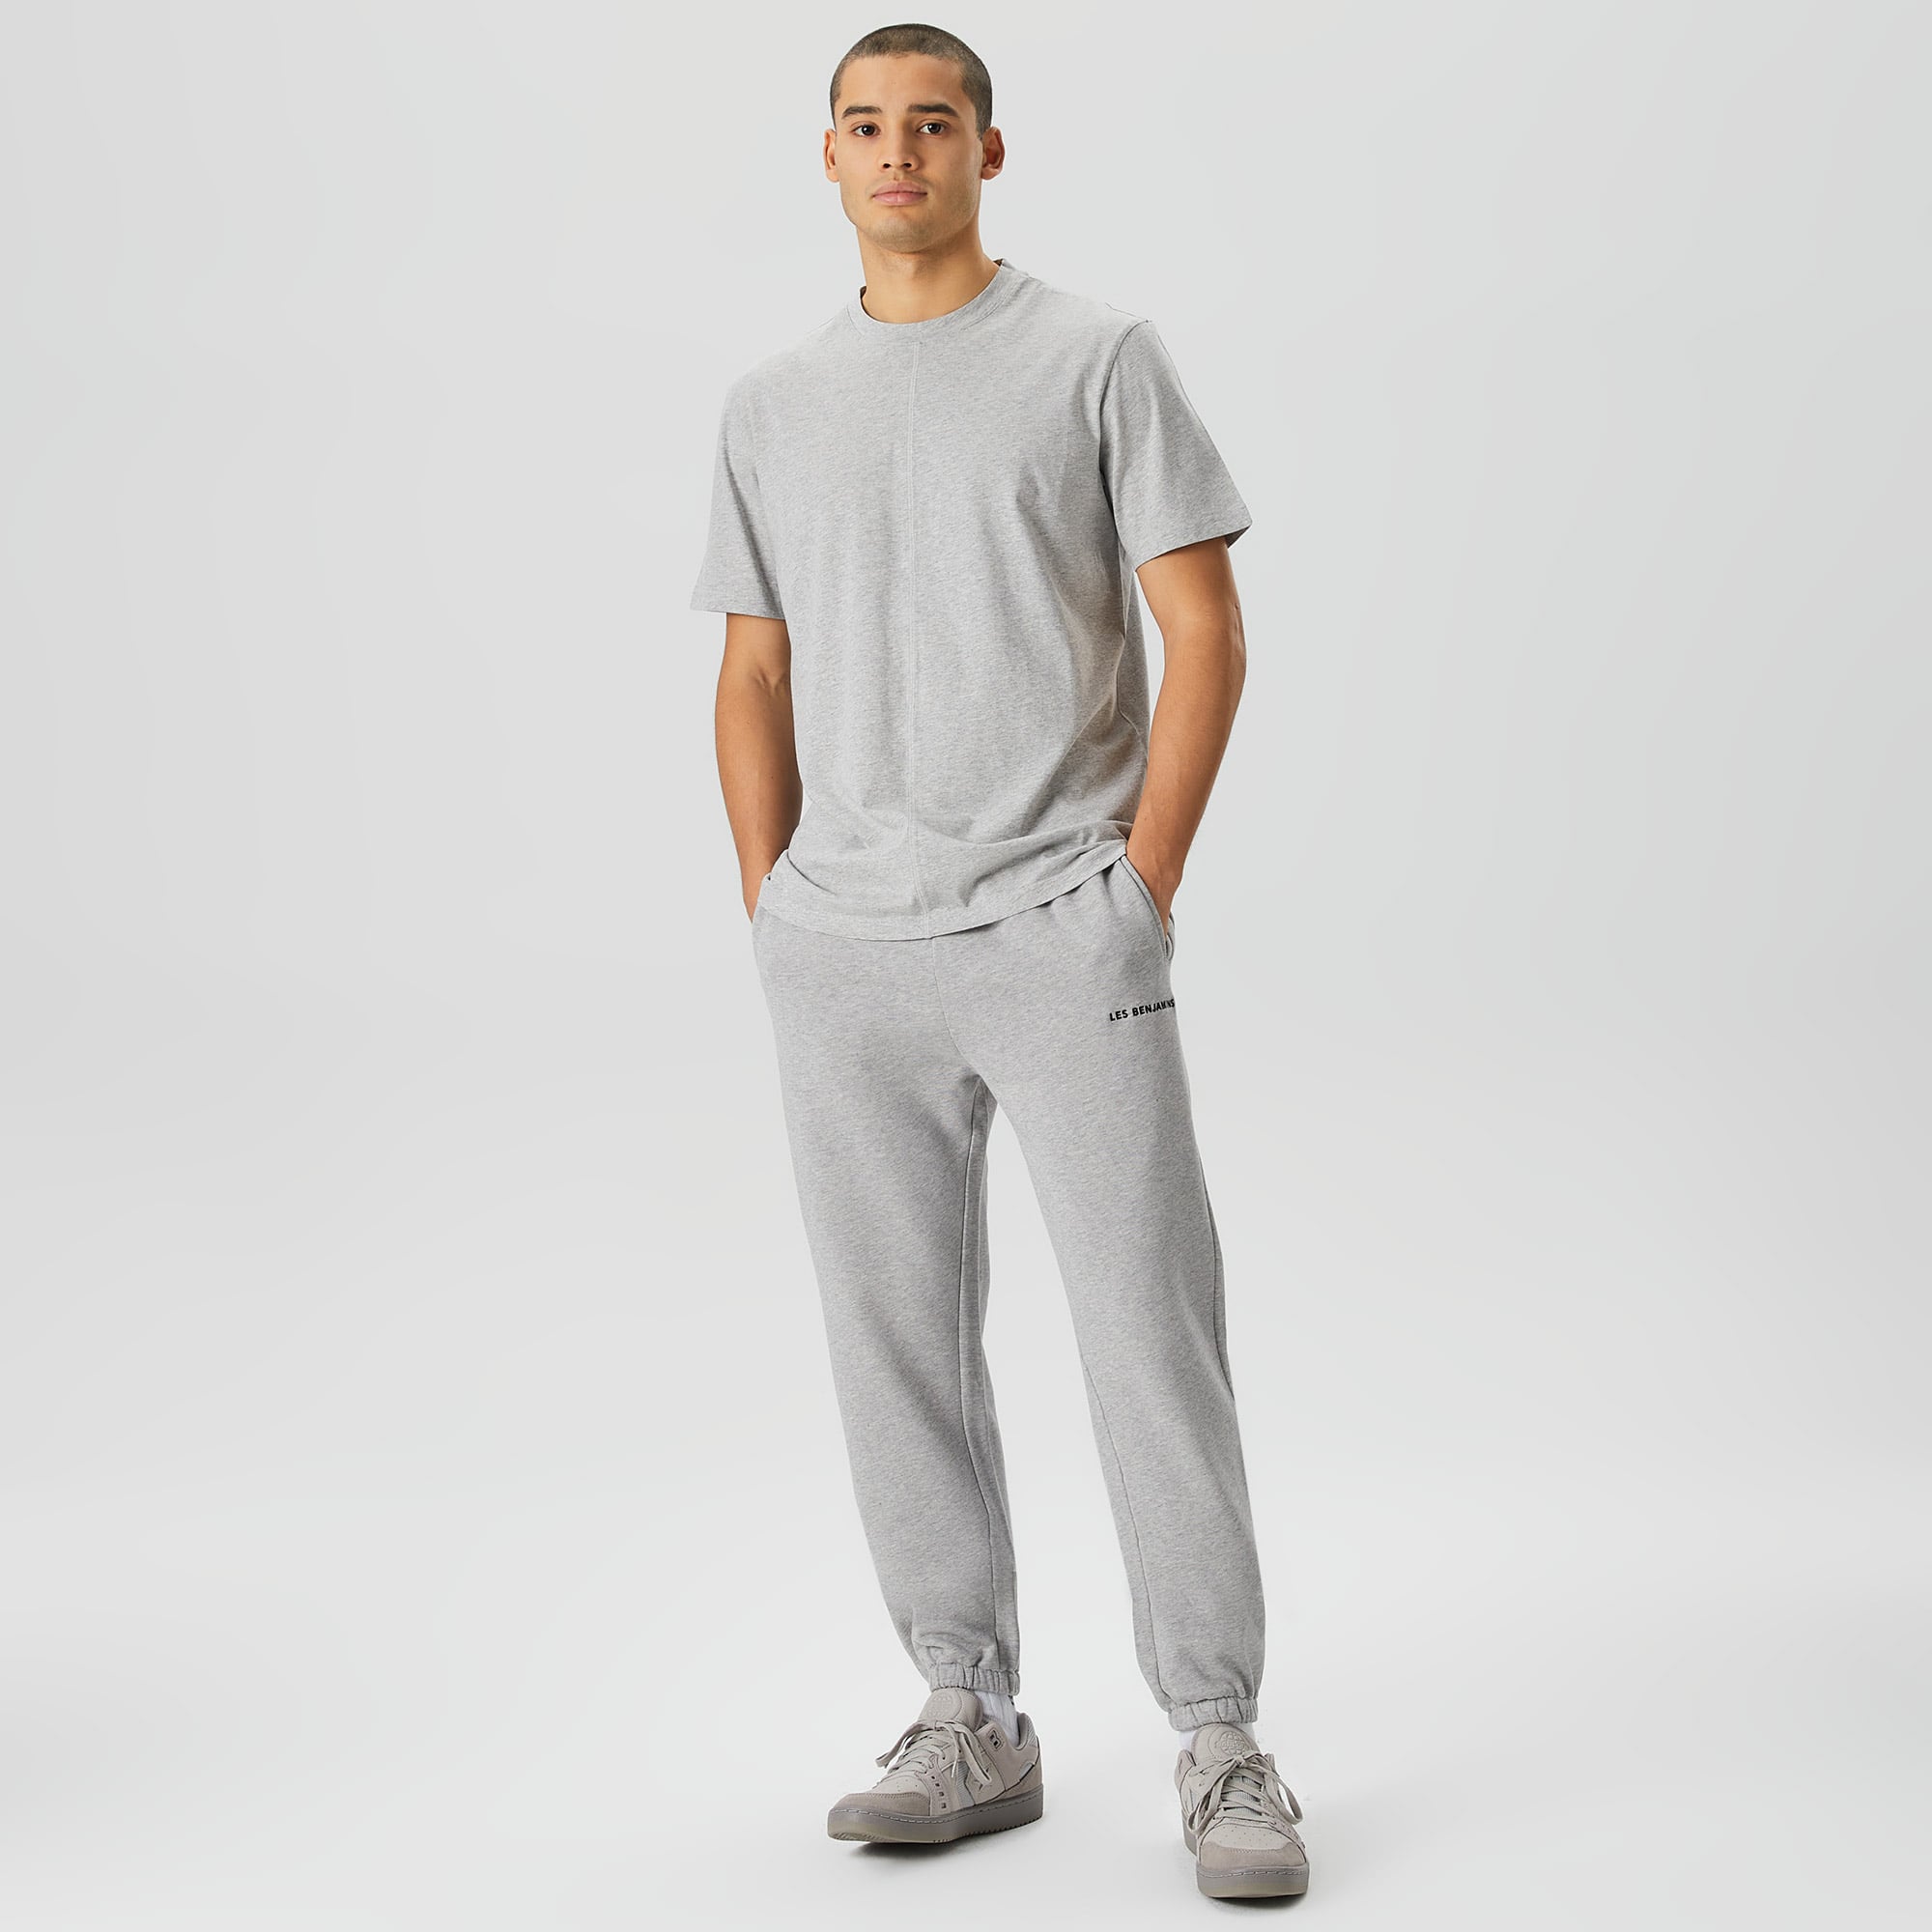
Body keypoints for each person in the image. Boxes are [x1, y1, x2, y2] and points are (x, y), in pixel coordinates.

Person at [691, 22, 1308, 1901]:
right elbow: (751, 670)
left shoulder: (1097, 357)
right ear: (826, 157)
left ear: (987, 150)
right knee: (894, 1346)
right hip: (844, 951)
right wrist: (772, 907)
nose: (900, 152)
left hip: (1061, 924)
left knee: (1148, 1329)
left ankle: (1218, 1736)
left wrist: (1142, 880)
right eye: (866, 125)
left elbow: (1204, 629)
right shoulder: (770, 403)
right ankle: (967, 1711)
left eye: (932, 123)